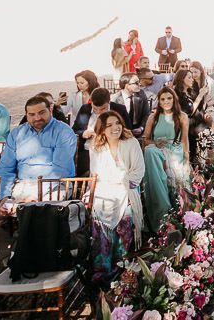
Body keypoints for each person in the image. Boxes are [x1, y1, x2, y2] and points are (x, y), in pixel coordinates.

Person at [89, 110, 145, 285]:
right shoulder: (96, 148)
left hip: (126, 190)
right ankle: (103, 271)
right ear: (102, 130)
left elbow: (138, 171)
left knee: (125, 219)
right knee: (99, 215)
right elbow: (97, 174)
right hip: (105, 190)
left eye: (118, 123)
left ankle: (121, 268)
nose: (115, 128)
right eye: (109, 125)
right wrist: (112, 183)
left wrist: (122, 184)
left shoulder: (131, 143)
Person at [0, 96, 77, 213]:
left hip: (54, 186)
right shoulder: (17, 133)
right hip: (21, 184)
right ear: (26, 115)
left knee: (38, 208)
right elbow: (5, 167)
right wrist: (4, 197)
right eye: (32, 114)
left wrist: (36, 195)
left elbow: (61, 170)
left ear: (51, 110)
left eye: (41, 112)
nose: (37, 118)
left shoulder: (63, 132)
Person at [141, 87, 191, 233]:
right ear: (159, 101)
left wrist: (187, 162)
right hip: (158, 150)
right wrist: (155, 144)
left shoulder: (182, 116)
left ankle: (179, 215)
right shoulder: (153, 117)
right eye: (162, 99)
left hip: (176, 150)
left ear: (174, 99)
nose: (166, 102)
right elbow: (146, 140)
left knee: (179, 174)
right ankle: (160, 213)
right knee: (150, 153)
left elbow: (185, 140)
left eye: (169, 98)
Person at [73, 87, 131, 176]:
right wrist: (83, 133)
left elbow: (127, 130)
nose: (99, 112)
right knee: (82, 171)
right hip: (87, 150)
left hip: (113, 150)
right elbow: (75, 130)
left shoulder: (120, 109)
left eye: (103, 109)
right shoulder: (85, 109)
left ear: (109, 101)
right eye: (95, 109)